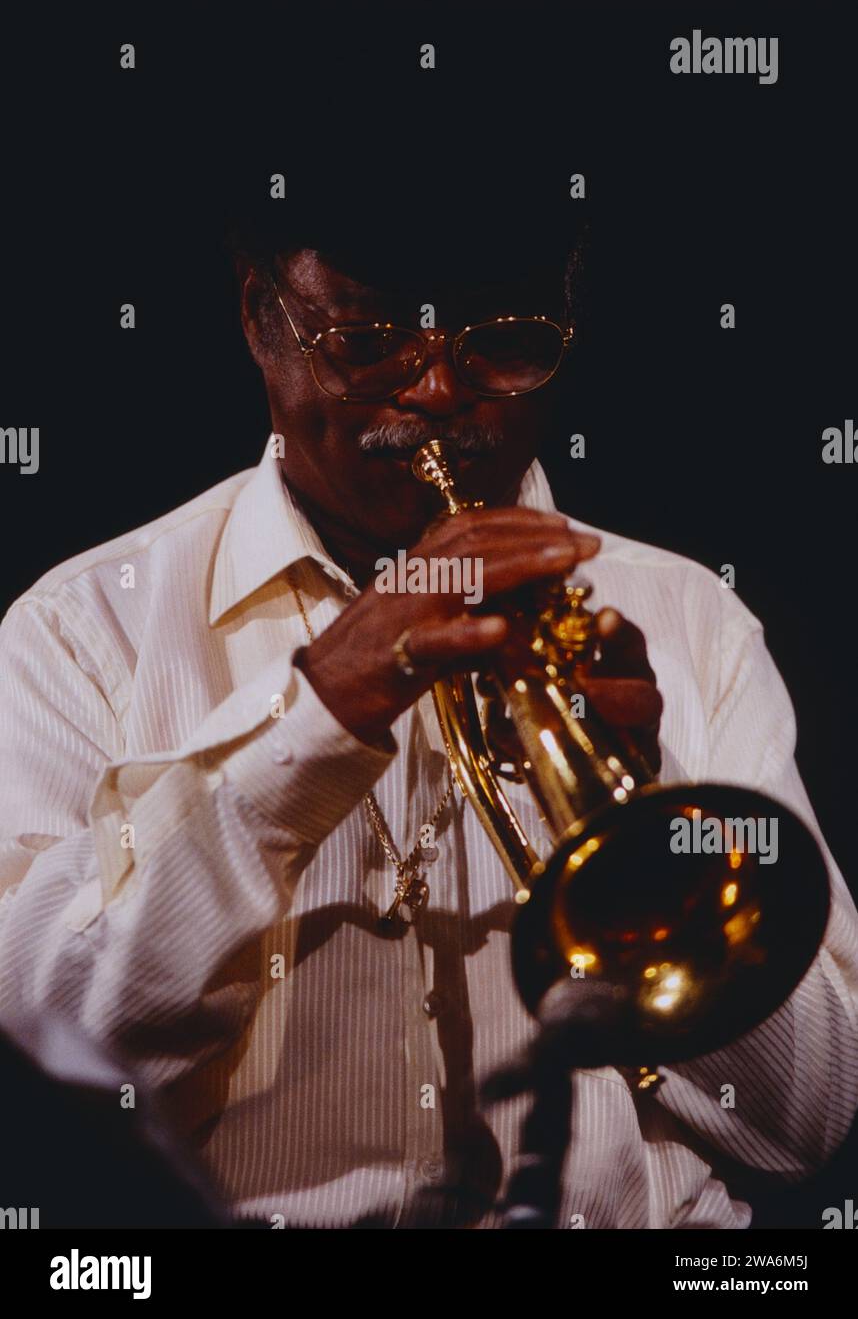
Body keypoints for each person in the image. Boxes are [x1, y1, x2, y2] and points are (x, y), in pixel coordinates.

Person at [1, 201, 856, 1229]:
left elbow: (808, 1120)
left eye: (500, 343)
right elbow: (45, 1065)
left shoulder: (691, 618)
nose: (439, 391)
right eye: (367, 339)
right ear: (260, 319)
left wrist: (652, 812)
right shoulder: (84, 626)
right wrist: (310, 721)